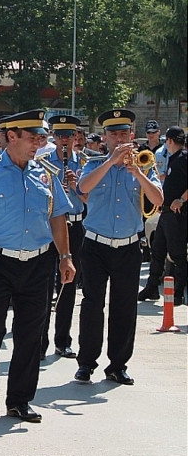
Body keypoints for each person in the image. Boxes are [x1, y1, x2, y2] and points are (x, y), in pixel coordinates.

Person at [0, 109, 75, 423]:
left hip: (38, 263)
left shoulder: (46, 173)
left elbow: (58, 216)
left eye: (41, 137)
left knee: (30, 334)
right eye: (33, 137)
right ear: (12, 136)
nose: (38, 143)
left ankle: (19, 400)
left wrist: (65, 256)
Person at [75, 109, 163, 386]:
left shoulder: (145, 165)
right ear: (105, 138)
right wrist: (111, 161)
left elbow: (158, 199)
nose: (119, 138)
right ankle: (86, 363)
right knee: (92, 305)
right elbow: (82, 188)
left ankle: (118, 364)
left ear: (132, 136)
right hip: (95, 244)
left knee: (124, 307)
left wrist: (137, 172)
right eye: (113, 134)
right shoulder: (94, 163)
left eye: (123, 133)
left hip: (128, 245)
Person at [40, 115, 87, 359]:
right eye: (60, 135)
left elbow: (90, 199)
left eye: (69, 135)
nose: (65, 140)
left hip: (76, 226)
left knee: (68, 284)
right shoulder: (44, 163)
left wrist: (77, 186)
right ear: (54, 138)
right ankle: (39, 341)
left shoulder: (86, 162)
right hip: (51, 228)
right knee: (45, 285)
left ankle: (63, 340)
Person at [138, 126, 187, 305]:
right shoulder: (174, 160)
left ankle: (179, 293)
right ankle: (152, 287)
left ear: (170, 141)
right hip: (165, 213)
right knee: (157, 252)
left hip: (177, 215)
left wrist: (181, 199)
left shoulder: (183, 158)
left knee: (178, 255)